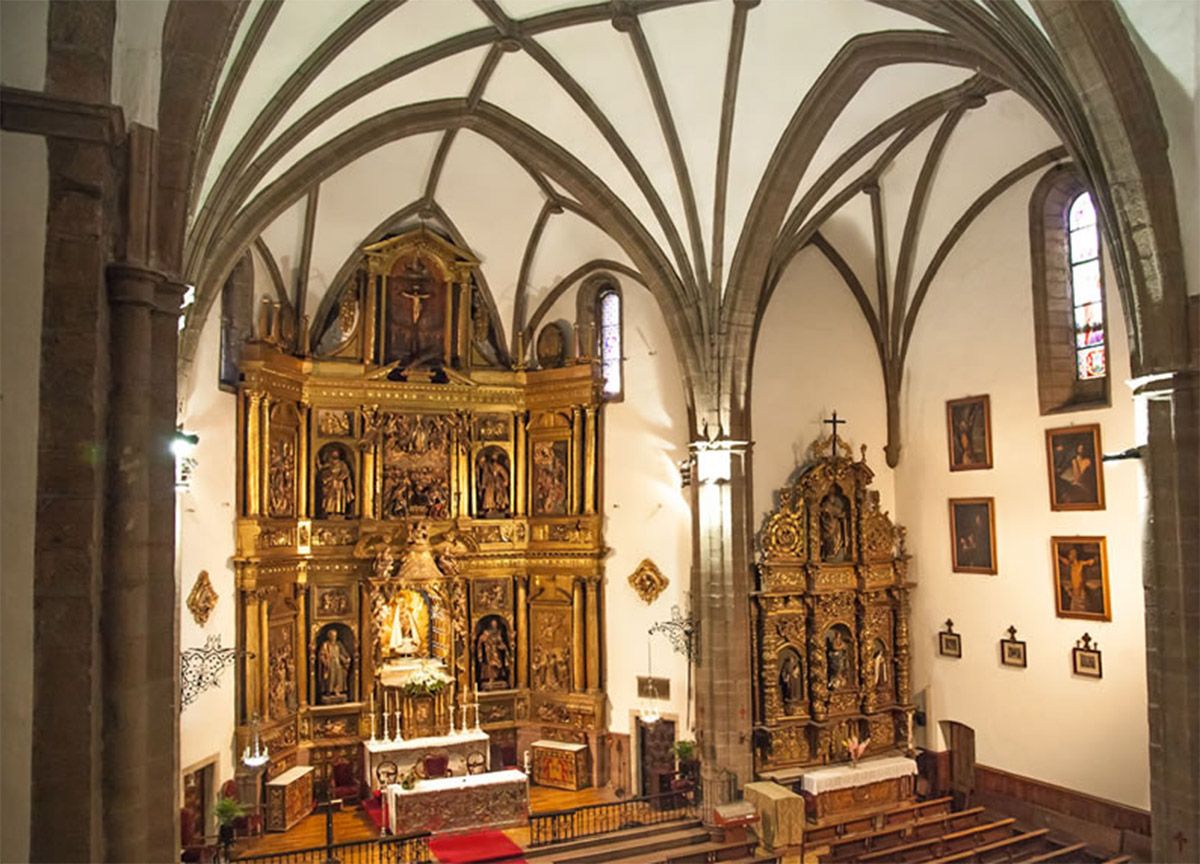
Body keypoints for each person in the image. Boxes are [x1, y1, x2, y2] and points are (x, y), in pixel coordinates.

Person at [318, 448, 355, 517]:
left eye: (336, 454)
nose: (335, 455)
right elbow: (322, 470)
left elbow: (346, 473)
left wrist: (339, 477)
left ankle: (339, 511)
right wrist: (328, 476)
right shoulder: (328, 464)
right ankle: (329, 510)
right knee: (330, 498)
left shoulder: (342, 464)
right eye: (333, 454)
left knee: (339, 497)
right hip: (330, 484)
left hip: (339, 484)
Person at [318, 629, 351, 703]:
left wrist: (347, 659)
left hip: (337, 662)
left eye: (335, 636)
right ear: (329, 636)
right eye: (332, 636)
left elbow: (343, 653)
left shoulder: (338, 644)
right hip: (329, 664)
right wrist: (325, 662)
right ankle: (329, 691)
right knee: (330, 677)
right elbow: (321, 655)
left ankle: (337, 690)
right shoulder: (326, 645)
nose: (334, 637)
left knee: (339, 677)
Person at [476, 620, 510, 686]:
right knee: (490, 665)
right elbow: (480, 642)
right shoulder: (485, 633)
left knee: (497, 664)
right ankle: (490, 679)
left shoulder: (498, 634)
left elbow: (501, 642)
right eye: (493, 624)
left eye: (495, 624)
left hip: (496, 652)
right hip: (488, 652)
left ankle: (498, 678)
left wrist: (503, 647)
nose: (494, 626)